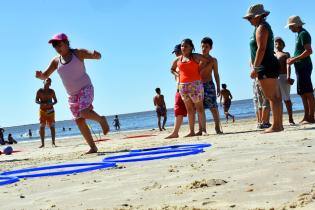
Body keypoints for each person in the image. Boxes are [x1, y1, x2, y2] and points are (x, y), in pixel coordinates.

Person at [35, 33, 109, 154]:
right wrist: (40, 76)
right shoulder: (56, 61)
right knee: (79, 120)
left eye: (60, 45)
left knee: (84, 112)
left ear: (66, 43)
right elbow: (45, 75)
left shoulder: (77, 53)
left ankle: (101, 120)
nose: (58, 48)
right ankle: (93, 147)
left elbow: (96, 56)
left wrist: (96, 55)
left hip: (85, 88)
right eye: (55, 46)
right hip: (72, 95)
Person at [243, 4, 283, 133]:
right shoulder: (259, 27)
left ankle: (277, 125)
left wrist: (255, 68)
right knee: (274, 97)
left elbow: (261, 49)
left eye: (250, 18)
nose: (249, 20)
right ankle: (278, 125)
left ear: (259, 16)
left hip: (266, 65)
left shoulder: (262, 27)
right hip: (267, 64)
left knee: (272, 97)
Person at [170, 39, 212, 137]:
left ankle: (203, 130)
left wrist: (199, 69)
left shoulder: (195, 56)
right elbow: (171, 69)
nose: (183, 48)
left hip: (195, 85)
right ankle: (192, 131)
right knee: (189, 110)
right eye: (182, 46)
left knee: (200, 108)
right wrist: (177, 74)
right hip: (183, 86)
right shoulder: (178, 59)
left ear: (191, 48)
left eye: (186, 46)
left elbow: (208, 61)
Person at [286, 16, 314, 124]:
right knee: (302, 93)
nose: (290, 29)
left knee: (308, 92)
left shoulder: (303, 34)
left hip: (304, 66)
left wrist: (294, 59)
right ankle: (306, 116)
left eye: (291, 26)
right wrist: (293, 58)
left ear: (296, 24)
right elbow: (301, 51)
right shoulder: (298, 34)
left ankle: (311, 116)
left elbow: (309, 51)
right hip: (300, 66)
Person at [199, 37, 223, 134]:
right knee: (200, 109)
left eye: (206, 47)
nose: (204, 49)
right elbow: (197, 72)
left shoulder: (213, 60)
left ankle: (217, 127)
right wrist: (206, 64)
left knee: (213, 107)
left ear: (211, 48)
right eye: (202, 46)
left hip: (209, 85)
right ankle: (202, 129)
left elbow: (216, 74)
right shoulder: (197, 59)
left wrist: (218, 87)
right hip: (199, 85)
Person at [166, 44, 187, 139]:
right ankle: (175, 132)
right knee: (178, 110)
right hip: (179, 88)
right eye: (175, 53)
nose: (176, 54)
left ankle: (197, 130)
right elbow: (172, 70)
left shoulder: (186, 60)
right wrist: (175, 73)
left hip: (187, 87)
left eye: (178, 52)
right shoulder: (177, 62)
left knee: (191, 109)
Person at [274, 37, 295, 125]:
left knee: (286, 99)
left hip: (283, 77)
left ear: (283, 45)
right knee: (277, 100)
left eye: (279, 43)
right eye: (275, 43)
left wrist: (288, 77)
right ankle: (279, 120)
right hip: (274, 78)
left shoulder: (286, 54)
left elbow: (288, 65)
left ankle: (290, 119)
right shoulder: (273, 54)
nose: (277, 45)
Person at [35, 78, 57, 148]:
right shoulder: (40, 91)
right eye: (47, 81)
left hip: (50, 110)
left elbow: (56, 100)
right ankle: (42, 144)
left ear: (50, 84)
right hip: (42, 110)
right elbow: (36, 100)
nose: (48, 82)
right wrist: (42, 103)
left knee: (52, 127)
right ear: (43, 82)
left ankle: (53, 143)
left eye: (49, 81)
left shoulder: (52, 91)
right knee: (42, 126)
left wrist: (52, 104)